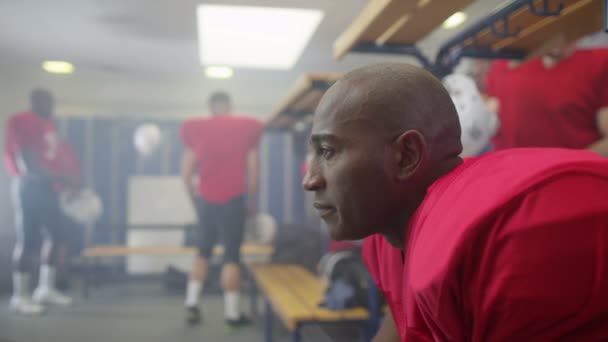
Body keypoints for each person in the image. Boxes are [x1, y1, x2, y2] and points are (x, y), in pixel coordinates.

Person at [302, 63, 608, 341]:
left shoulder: (505, 231)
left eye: (328, 151)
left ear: (406, 155)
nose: (310, 180)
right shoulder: (387, 238)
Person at [180, 91, 263, 326]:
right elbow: (254, 173)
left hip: (206, 201)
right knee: (231, 257)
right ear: (229, 105)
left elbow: (185, 175)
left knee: (202, 251)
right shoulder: (248, 127)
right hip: (233, 201)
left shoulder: (194, 128)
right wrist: (252, 204)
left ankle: (191, 304)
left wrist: (195, 203)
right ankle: (232, 314)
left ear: (210, 107)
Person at [4, 89, 75, 315]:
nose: (51, 106)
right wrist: (61, 177)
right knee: (27, 242)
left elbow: (52, 157)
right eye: (47, 102)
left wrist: (64, 180)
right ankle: (20, 295)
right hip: (30, 187)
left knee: (56, 236)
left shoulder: (48, 124)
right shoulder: (24, 122)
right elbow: (28, 164)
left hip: (47, 188)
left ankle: (45, 288)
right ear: (35, 101)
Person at [485, 40, 608, 154]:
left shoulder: (598, 62)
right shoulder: (501, 68)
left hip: (577, 173)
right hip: (518, 173)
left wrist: (566, 168)